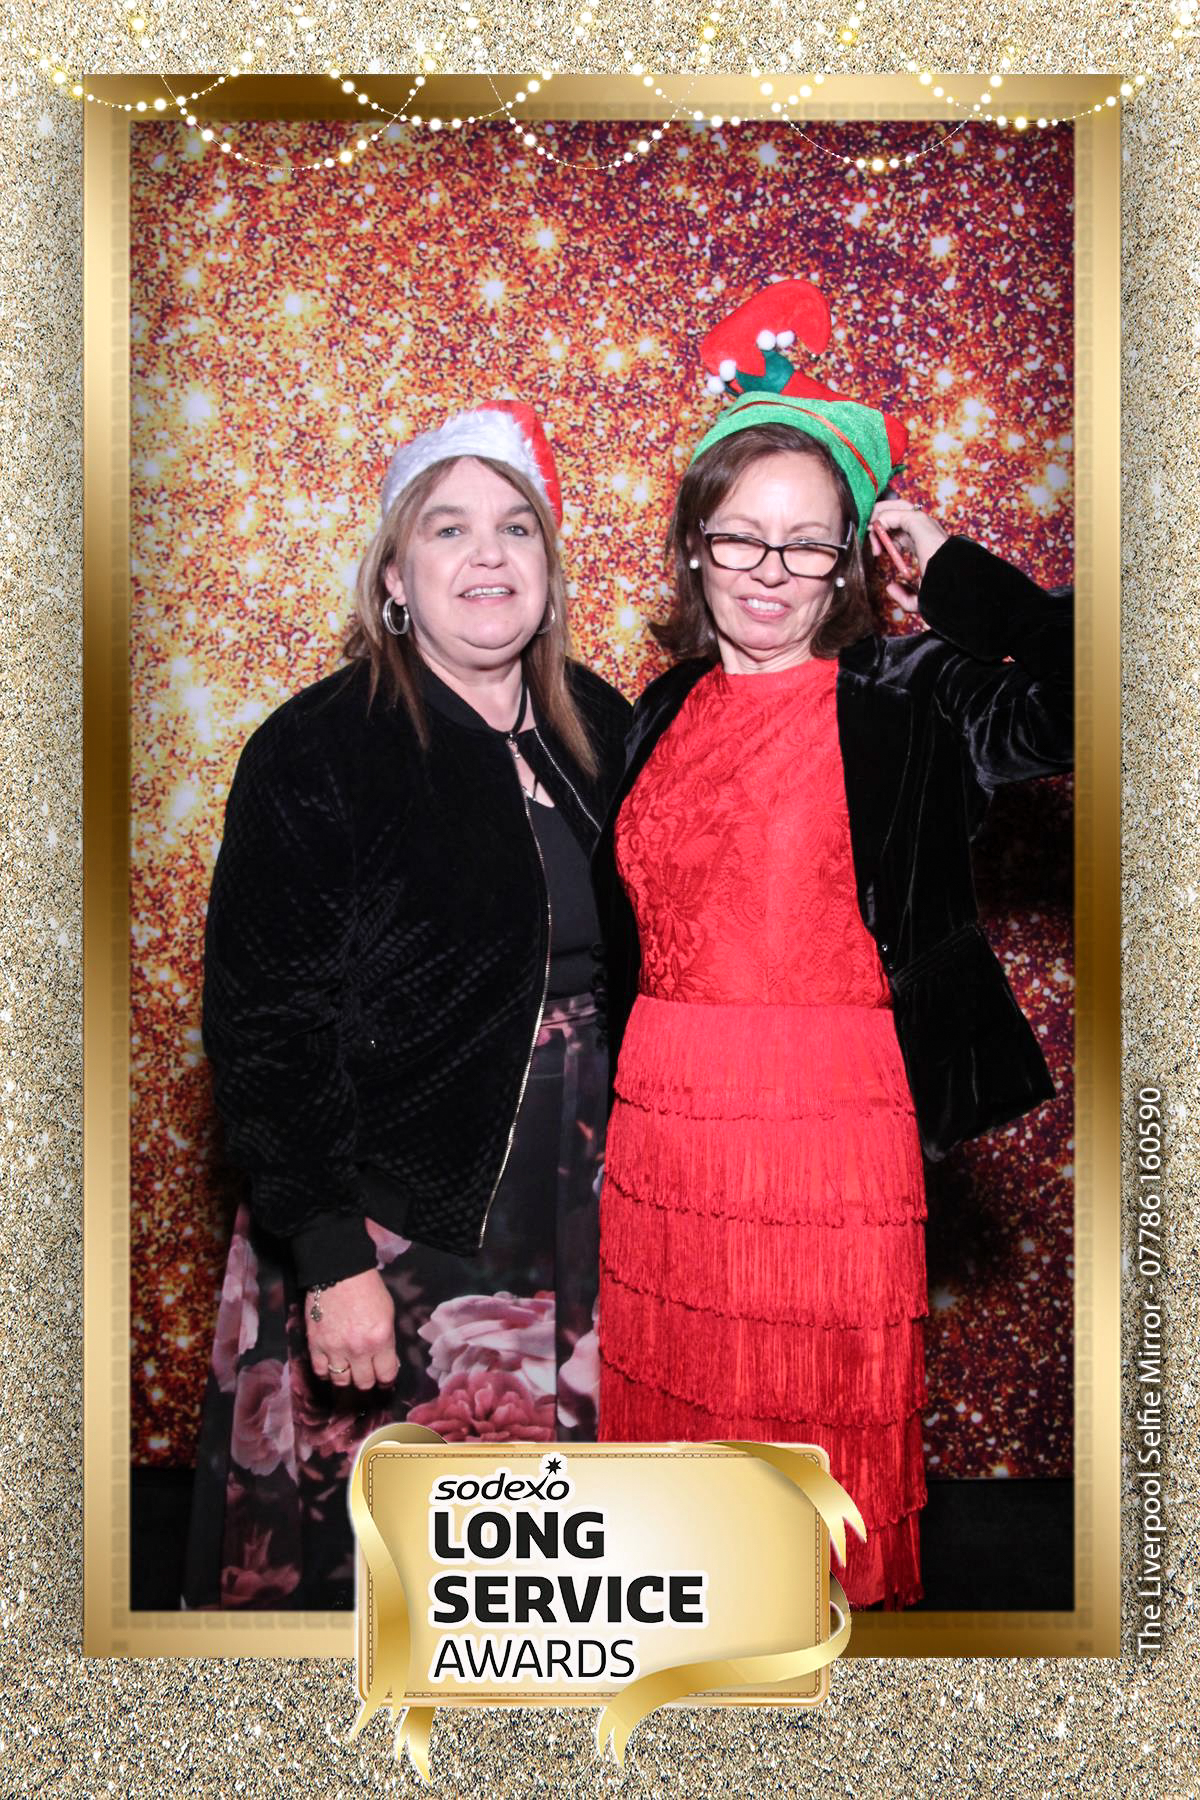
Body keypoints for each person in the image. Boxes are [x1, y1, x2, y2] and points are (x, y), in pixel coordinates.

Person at [592, 282, 1074, 1610]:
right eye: (740, 537)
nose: (770, 569)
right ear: (693, 548)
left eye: (809, 544)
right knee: (678, 1495)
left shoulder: (913, 699)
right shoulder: (659, 709)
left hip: (825, 1142)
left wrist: (956, 567)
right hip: (663, 1140)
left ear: (855, 562)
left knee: (808, 1500)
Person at [183, 401, 632, 1609]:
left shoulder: (605, 726)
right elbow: (267, 1025)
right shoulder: (319, 748)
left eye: (516, 528)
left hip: (596, 1196)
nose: (489, 554)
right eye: (448, 528)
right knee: (385, 1555)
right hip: (396, 1212)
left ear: (549, 568)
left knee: (557, 1575)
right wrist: (332, 1261)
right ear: (395, 578)